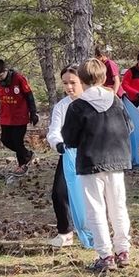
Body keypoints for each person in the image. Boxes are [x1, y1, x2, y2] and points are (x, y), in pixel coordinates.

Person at [61, 59, 133, 273]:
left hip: (90, 162)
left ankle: (105, 255)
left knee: (96, 210)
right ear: (104, 78)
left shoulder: (77, 106)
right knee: (118, 206)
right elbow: (128, 126)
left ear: (82, 79)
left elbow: (70, 138)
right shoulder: (116, 101)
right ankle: (123, 250)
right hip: (117, 161)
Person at [46, 64, 83, 248]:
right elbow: (53, 131)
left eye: (73, 82)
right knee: (59, 193)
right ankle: (65, 232)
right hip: (68, 154)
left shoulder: (92, 101)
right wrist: (59, 144)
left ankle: (94, 232)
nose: (69, 87)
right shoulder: (61, 106)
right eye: (65, 83)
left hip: (92, 156)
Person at [0, 59, 38, 176]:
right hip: (5, 117)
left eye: (0, 76)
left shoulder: (18, 78)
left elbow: (29, 96)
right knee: (5, 140)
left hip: (20, 116)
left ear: (5, 70)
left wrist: (33, 113)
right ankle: (27, 154)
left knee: (17, 141)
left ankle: (22, 165)